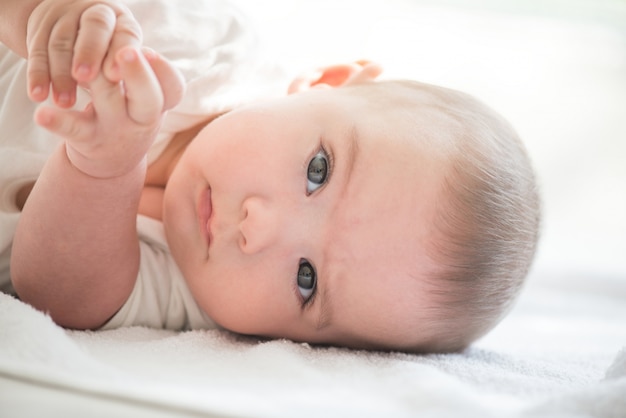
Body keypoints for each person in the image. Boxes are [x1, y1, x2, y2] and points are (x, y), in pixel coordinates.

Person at [1, 0, 540, 353]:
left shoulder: (195, 296)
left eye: (306, 279)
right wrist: (45, 18)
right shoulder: (198, 45)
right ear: (324, 83)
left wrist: (104, 169)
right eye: (318, 171)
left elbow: (53, 293)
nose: (257, 227)